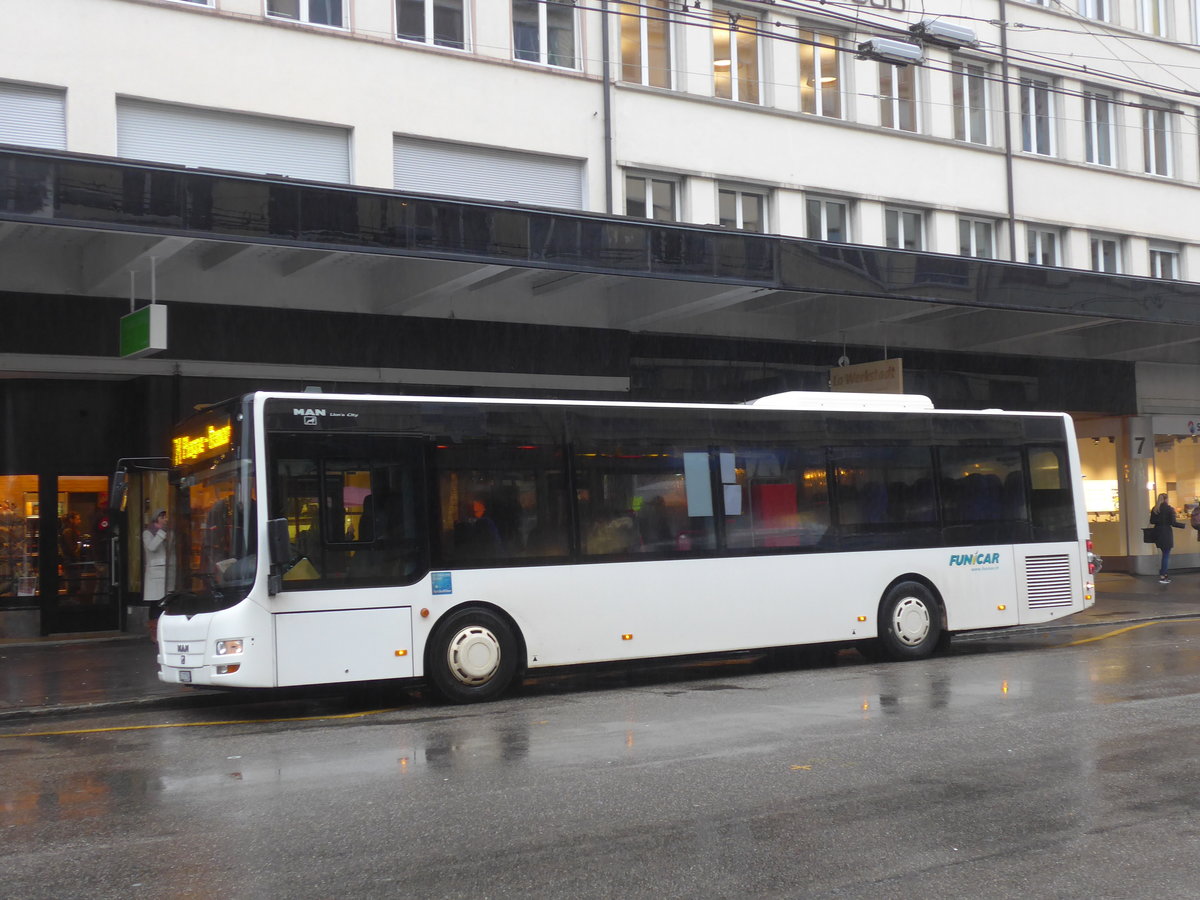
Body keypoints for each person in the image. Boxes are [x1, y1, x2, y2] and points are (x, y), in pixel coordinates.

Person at [1150, 493, 1184, 584]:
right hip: (1166, 533)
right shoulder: (1169, 509)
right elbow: (1173, 523)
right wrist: (1183, 526)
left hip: (1158, 533)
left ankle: (1163, 574)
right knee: (1166, 555)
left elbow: (1152, 521)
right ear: (1166, 499)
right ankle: (1163, 575)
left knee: (1164, 554)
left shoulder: (1155, 509)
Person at [142, 509, 169, 603]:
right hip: (155, 573)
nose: (165, 519)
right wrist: (162, 532)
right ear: (156, 520)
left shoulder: (166, 533)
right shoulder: (148, 533)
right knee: (155, 602)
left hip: (165, 572)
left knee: (164, 602)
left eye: (165, 517)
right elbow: (152, 547)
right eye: (162, 518)